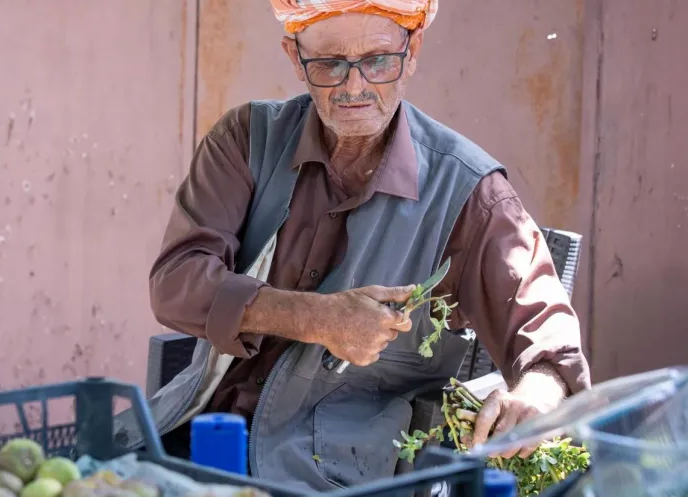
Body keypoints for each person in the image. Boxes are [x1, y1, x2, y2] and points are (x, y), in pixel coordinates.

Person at [114, 0, 591, 491]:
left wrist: (539, 389)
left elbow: (547, 333)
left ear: (413, 52)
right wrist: (315, 318)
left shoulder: (470, 192)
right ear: (296, 58)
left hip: (332, 476)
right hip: (192, 435)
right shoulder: (245, 141)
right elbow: (175, 283)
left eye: (378, 60)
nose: (354, 86)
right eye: (328, 64)